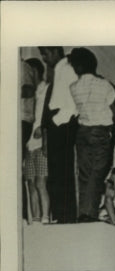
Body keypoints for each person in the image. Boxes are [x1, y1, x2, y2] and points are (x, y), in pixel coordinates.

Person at [67, 47, 115, 221]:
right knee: (97, 174)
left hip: (82, 132)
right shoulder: (104, 84)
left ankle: (83, 213)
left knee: (85, 175)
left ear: (78, 67)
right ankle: (88, 214)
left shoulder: (73, 87)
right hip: (100, 132)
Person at [39, 46, 77, 223]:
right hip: (58, 126)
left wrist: (55, 123)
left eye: (45, 54)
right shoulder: (59, 70)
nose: (44, 59)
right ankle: (61, 217)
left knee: (63, 175)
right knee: (56, 175)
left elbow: (72, 106)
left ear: (54, 51)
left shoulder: (68, 69)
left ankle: (65, 217)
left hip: (63, 126)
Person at [24, 56, 51, 224]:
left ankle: (46, 219)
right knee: (31, 184)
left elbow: (51, 113)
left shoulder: (47, 89)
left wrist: (44, 128)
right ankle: (35, 220)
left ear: (35, 72)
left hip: (42, 143)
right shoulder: (29, 93)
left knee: (41, 182)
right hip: (29, 145)